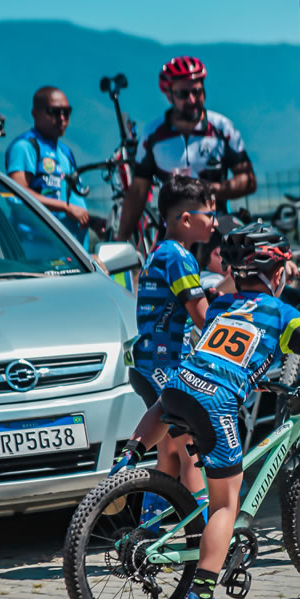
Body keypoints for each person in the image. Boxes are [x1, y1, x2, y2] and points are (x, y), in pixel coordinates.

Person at [110, 222, 300, 599]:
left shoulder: (222, 304)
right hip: (216, 402)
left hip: (181, 383)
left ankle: (126, 461)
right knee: (226, 504)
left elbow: (227, 350)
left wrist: (252, 376)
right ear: (276, 274)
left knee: (163, 403)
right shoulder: (283, 313)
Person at [129, 174, 215, 498]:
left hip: (148, 363)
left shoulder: (161, 251)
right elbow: (203, 317)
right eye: (209, 214)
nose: (214, 222)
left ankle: (147, 525)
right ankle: (204, 524)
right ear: (187, 219)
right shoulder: (179, 257)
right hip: (162, 366)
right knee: (190, 449)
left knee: (167, 455)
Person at [117, 56, 256, 242]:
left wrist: (212, 190)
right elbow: (138, 192)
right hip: (172, 234)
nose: (192, 99)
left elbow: (248, 180)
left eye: (197, 91)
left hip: (215, 230)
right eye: (183, 94)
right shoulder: (152, 135)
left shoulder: (223, 128)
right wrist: (121, 239)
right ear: (169, 95)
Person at [6, 86, 105, 250]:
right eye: (54, 112)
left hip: (73, 252)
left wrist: (92, 221)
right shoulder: (25, 147)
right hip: (37, 250)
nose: (62, 118)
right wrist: (66, 208)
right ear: (35, 113)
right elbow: (18, 194)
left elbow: (68, 200)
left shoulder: (65, 152)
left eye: (67, 112)